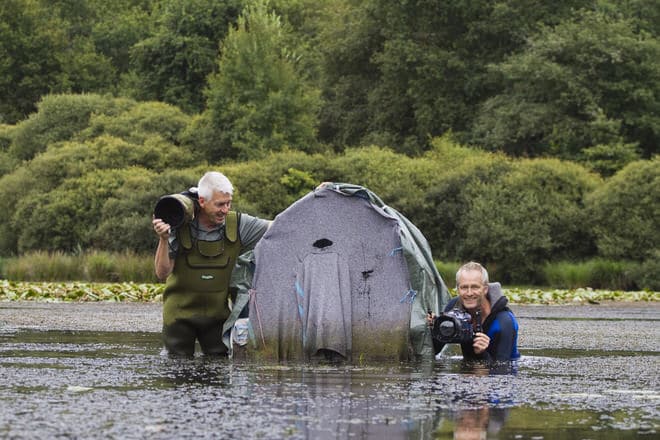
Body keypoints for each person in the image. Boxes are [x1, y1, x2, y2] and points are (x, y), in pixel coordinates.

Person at [152, 171, 270, 357]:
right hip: (178, 318)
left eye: (228, 203)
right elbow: (162, 273)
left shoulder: (239, 225)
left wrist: (315, 199)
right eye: (220, 204)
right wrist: (164, 239)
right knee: (177, 370)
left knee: (220, 370)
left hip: (218, 319)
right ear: (202, 202)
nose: (225, 209)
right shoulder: (179, 224)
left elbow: (279, 227)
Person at [429, 261, 520, 362]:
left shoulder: (504, 322)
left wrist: (482, 353)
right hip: (469, 367)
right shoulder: (454, 306)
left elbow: (502, 369)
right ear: (458, 289)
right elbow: (433, 351)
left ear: (485, 289)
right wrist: (433, 329)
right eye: (464, 287)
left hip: (506, 367)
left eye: (475, 287)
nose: (469, 293)